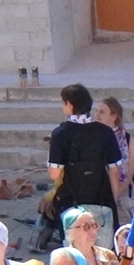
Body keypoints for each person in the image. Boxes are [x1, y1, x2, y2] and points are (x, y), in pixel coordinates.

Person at [47, 83, 122, 234]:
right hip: (101, 198)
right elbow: (114, 171)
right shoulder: (106, 132)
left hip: (72, 200)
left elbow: (54, 174)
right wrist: (114, 202)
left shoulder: (60, 134)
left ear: (69, 104)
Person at [94, 94, 134, 219]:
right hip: (97, 194)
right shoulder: (91, 137)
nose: (97, 115)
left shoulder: (130, 141)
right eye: (96, 111)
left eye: (102, 112)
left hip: (122, 195)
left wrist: (113, 196)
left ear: (114, 116)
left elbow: (129, 175)